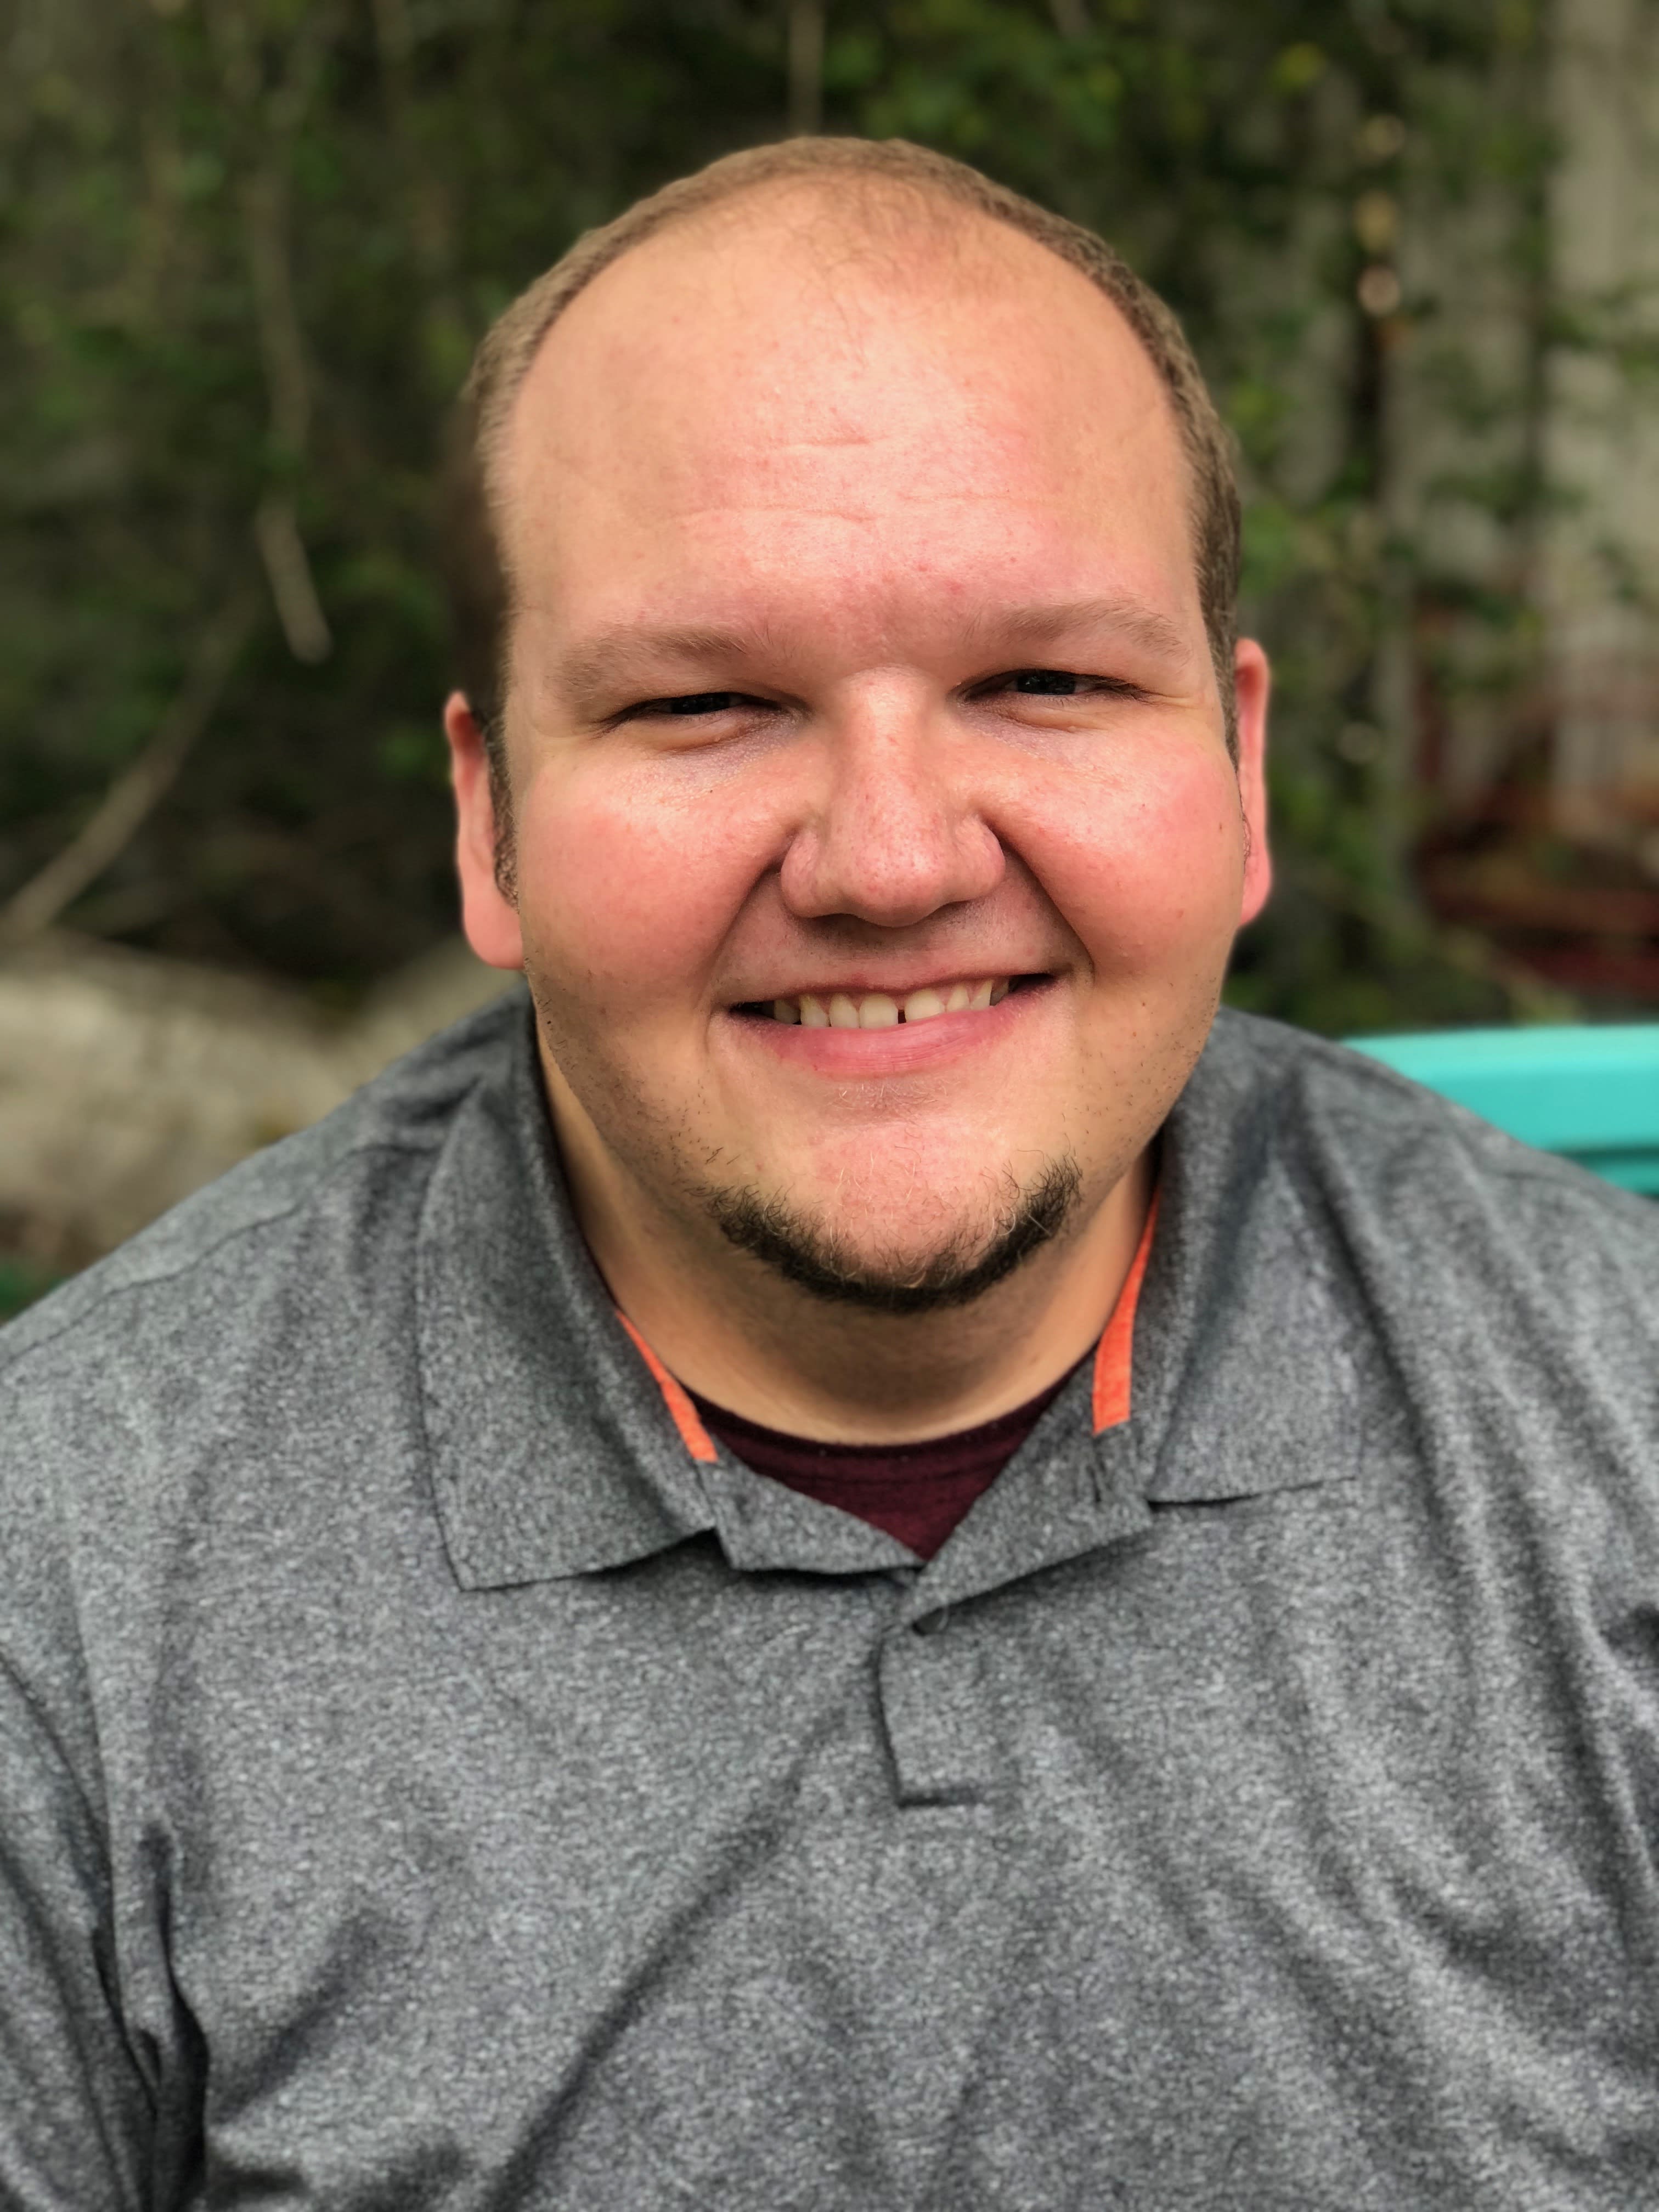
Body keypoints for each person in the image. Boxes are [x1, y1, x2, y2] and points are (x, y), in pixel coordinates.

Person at [2, 136, 1656, 2211]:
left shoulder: (1620, 1428)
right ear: (488, 819)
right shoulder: (64, 1582)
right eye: (706, 703)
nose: (889, 861)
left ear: (1239, 772)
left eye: (1044, 684)